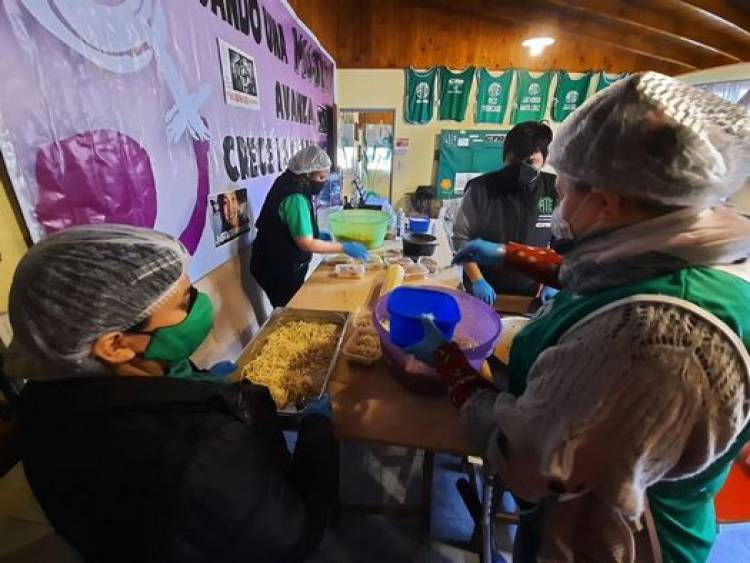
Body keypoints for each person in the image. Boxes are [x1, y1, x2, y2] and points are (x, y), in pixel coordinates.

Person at [410, 72, 750, 562]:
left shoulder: (656, 337)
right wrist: (508, 254)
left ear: (608, 202)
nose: (561, 204)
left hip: (607, 542)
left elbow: (523, 457)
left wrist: (447, 361)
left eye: (567, 192)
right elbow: (597, 274)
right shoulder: (692, 247)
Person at [7, 224, 338, 563]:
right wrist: (317, 432)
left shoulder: (39, 401)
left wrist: (198, 384)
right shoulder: (204, 453)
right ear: (116, 345)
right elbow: (293, 537)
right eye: (185, 302)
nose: (201, 304)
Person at [452, 121, 557, 305]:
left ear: (545, 160)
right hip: (482, 288)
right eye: (514, 160)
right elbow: (461, 238)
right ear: (505, 156)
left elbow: (562, 242)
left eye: (530, 162)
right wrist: (477, 280)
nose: (520, 168)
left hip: (529, 292)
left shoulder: (554, 190)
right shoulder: (480, 189)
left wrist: (554, 280)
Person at [251, 146, 369, 307]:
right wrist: (344, 247)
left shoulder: (290, 181)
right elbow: (305, 243)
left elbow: (291, 224)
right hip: (276, 266)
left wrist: (315, 233)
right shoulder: (295, 197)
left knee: (291, 305)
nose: (323, 182)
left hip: (274, 259)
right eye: (321, 177)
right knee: (289, 311)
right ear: (306, 174)